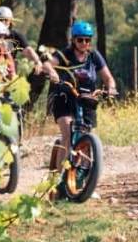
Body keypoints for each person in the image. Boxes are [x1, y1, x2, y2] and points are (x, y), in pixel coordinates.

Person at [48, 20, 116, 172]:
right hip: (65, 98)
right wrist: (52, 72)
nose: (84, 43)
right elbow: (48, 64)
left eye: (87, 40)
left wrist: (111, 87)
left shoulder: (94, 56)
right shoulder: (64, 54)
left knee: (86, 136)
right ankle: (58, 179)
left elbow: (108, 77)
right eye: (80, 39)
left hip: (87, 99)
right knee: (67, 130)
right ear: (73, 40)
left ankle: (85, 178)